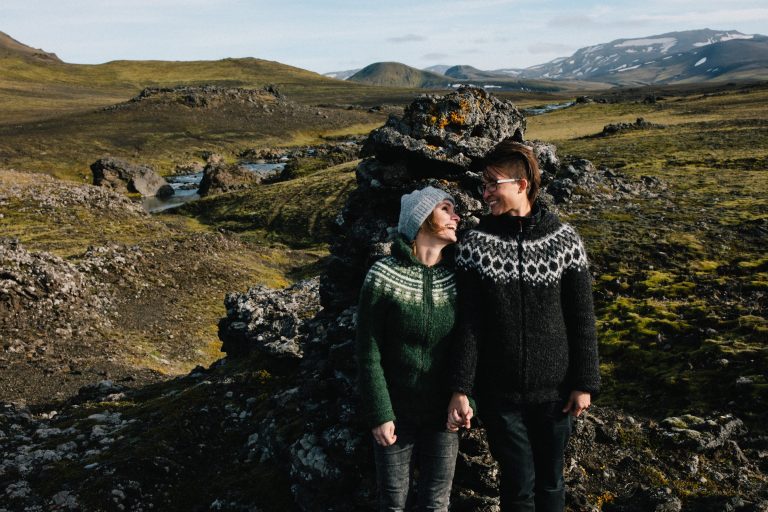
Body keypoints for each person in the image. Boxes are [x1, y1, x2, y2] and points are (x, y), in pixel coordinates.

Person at [446, 140, 600, 512]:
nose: (485, 194)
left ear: (522, 183)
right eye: (483, 185)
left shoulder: (564, 241)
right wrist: (461, 388)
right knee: (517, 486)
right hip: (499, 397)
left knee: (551, 484)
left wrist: (584, 382)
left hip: (556, 396)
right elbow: (469, 323)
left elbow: (582, 316)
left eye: (492, 183)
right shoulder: (474, 245)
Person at [356, 185, 462, 512]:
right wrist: (379, 413)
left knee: (436, 504)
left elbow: (470, 346)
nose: (455, 216)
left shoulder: (459, 278)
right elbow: (367, 351)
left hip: (443, 417)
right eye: (445, 209)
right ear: (421, 218)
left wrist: (466, 398)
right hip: (394, 414)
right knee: (392, 504)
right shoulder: (383, 275)